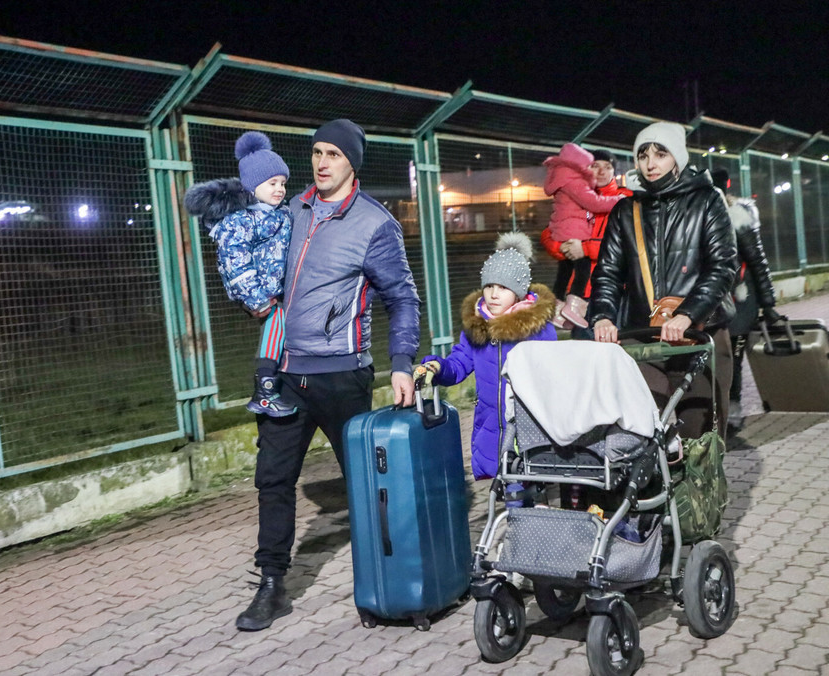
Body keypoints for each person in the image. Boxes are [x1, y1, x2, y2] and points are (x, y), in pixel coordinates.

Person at [235, 119, 420, 632]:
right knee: (272, 481)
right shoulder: (287, 210)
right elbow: (258, 263)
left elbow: (402, 299)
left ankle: (386, 584)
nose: (321, 162)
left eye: (333, 154)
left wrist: (402, 363)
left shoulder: (375, 223)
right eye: (316, 152)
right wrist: (251, 294)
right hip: (284, 375)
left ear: (352, 162)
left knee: (365, 486)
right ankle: (271, 586)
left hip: (343, 377)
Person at [589, 122, 738, 438]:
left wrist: (688, 314)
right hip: (644, 337)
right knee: (638, 429)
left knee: (702, 437)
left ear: (678, 158)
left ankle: (697, 488)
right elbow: (607, 273)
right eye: (642, 155)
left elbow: (723, 266)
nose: (650, 163)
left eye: (660, 154)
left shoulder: (707, 200)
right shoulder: (626, 210)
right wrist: (602, 316)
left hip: (701, 335)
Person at [420, 232, 559, 481]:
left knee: (527, 494)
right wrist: (439, 368)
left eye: (503, 288)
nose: (493, 294)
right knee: (504, 492)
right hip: (490, 431)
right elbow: (459, 363)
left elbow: (551, 377)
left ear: (518, 292)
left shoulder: (536, 329)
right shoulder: (477, 325)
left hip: (528, 430)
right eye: (489, 286)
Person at [184, 131, 296, 417]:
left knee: (282, 328)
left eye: (283, 183)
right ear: (252, 186)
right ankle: (265, 390)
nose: (280, 189)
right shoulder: (241, 222)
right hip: (259, 293)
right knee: (277, 321)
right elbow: (235, 262)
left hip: (277, 291)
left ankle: (277, 381)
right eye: (272, 183)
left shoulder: (278, 213)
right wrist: (256, 298)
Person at [710, 168, 781, 434]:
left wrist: (769, 304)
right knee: (711, 358)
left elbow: (758, 263)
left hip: (740, 301)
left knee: (733, 358)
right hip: (710, 302)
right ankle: (716, 409)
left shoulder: (738, 218)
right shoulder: (696, 218)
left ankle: (732, 409)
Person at [540, 143, 625, 304]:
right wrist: (561, 247)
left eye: (607, 167)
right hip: (580, 294)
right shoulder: (575, 194)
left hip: (613, 289)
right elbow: (548, 234)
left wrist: (584, 249)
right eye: (595, 166)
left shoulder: (624, 199)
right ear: (584, 168)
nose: (601, 172)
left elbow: (626, 244)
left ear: (614, 172)